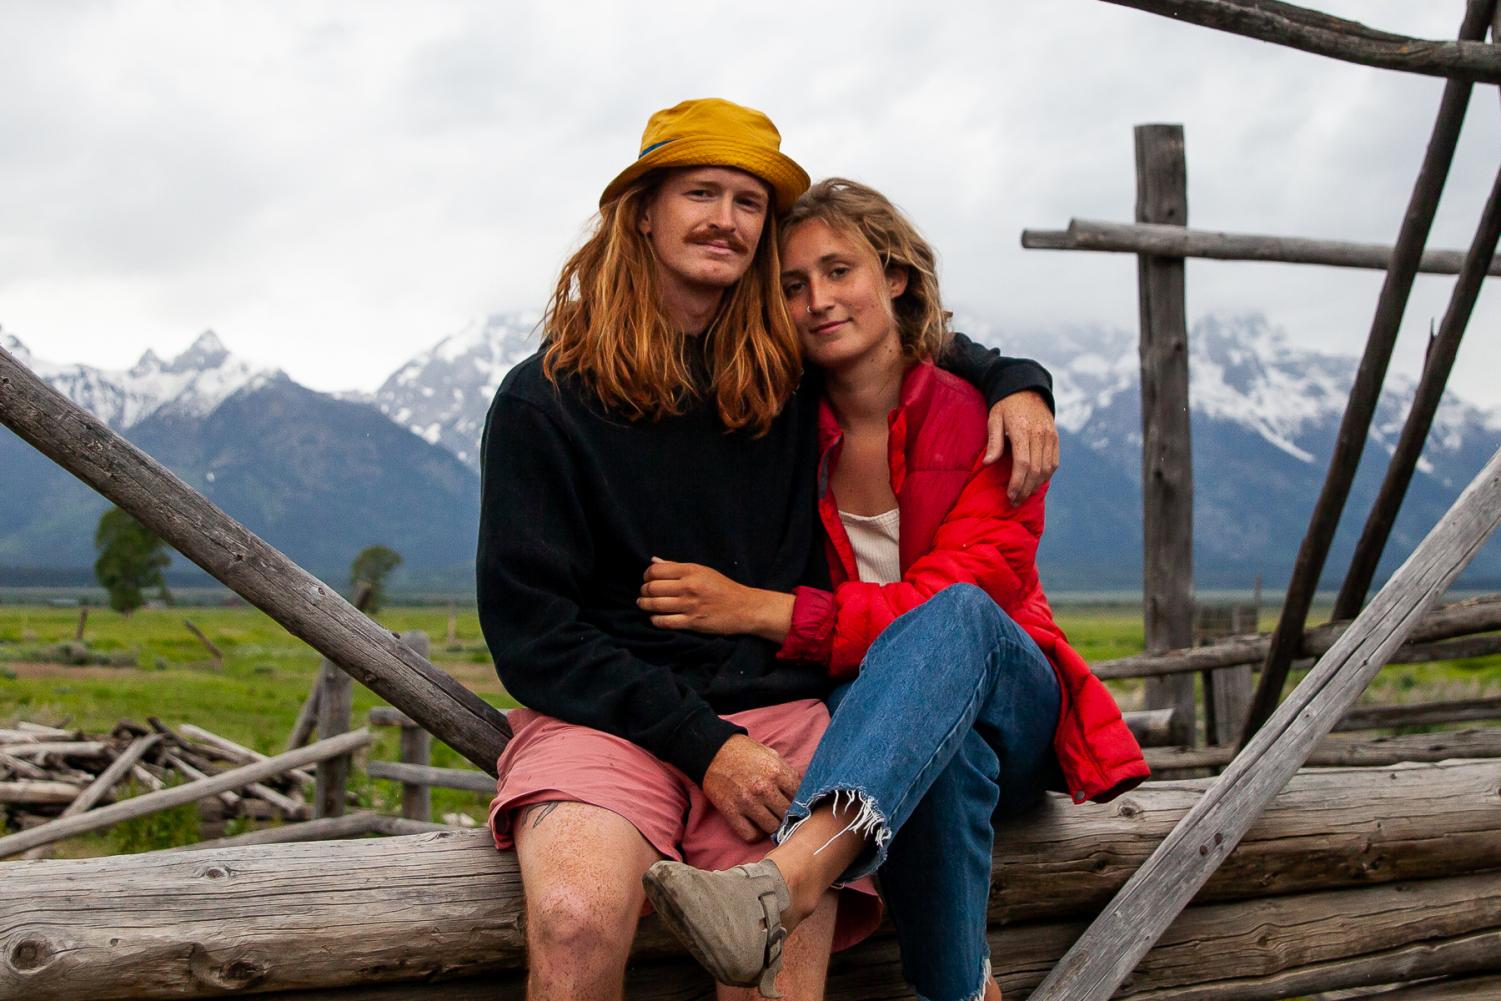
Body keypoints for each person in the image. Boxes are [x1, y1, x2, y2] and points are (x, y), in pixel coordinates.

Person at [477, 100, 1061, 1001]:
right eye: (700, 192)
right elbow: (530, 635)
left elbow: (898, 335)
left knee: (777, 955)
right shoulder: (542, 400)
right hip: (604, 715)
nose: (726, 218)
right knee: (576, 916)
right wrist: (699, 743)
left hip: (776, 711)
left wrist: (1018, 381)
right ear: (641, 211)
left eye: (748, 201)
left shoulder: (781, 377)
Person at [637, 178, 1149, 1001]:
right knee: (942, 760)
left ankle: (787, 880)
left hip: (1011, 691)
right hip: (880, 713)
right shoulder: (781, 423)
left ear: (895, 277)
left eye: (838, 272)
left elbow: (972, 585)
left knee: (957, 614)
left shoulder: (987, 417)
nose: (817, 301)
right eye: (793, 286)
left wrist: (762, 610)